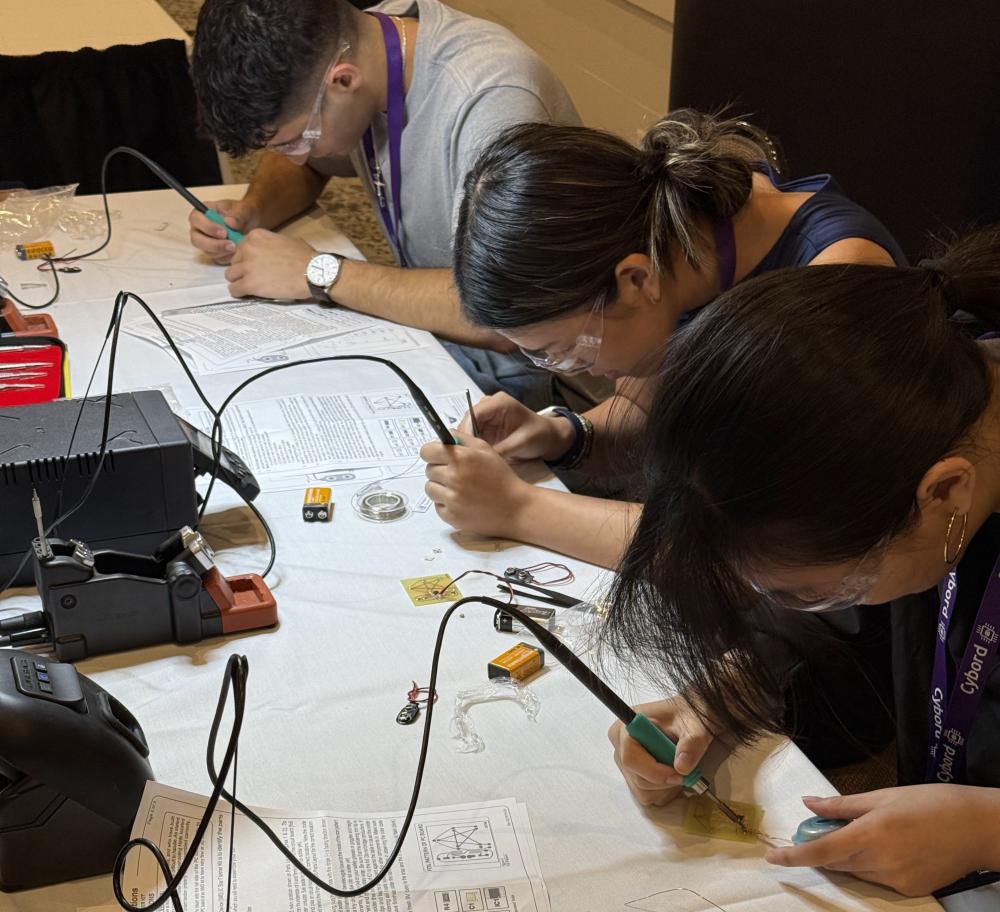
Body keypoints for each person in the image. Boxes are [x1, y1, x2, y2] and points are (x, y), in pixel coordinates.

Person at [604, 229, 1000, 896]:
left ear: (945, 492)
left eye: (806, 590)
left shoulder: (905, 476)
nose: (798, 601)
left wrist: (988, 828)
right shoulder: (904, 428)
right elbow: (858, 631)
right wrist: (728, 688)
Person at [421, 110, 906, 568]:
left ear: (634, 280)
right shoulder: (679, 236)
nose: (576, 370)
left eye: (566, 351)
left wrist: (517, 508)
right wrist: (564, 435)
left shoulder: (829, 286)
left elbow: (745, 553)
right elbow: (651, 409)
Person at [188, 0, 580, 392]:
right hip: (423, 325)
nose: (296, 155)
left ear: (343, 82)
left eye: (292, 141)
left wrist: (318, 272)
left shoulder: (492, 105)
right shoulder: (365, 40)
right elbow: (308, 165)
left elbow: (504, 317)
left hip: (508, 362)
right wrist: (253, 210)